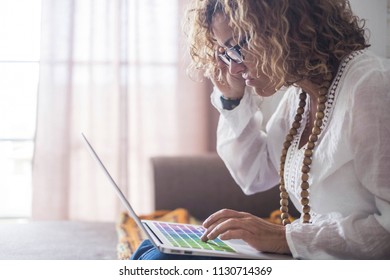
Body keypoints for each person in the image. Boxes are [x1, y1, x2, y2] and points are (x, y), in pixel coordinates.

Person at [132, 0, 390, 259]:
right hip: (311, 255)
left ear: (287, 26)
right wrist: (233, 99)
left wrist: (284, 237)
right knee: (151, 248)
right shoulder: (300, 95)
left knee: (161, 259)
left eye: (239, 44)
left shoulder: (371, 87)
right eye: (226, 52)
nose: (234, 67)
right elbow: (254, 175)